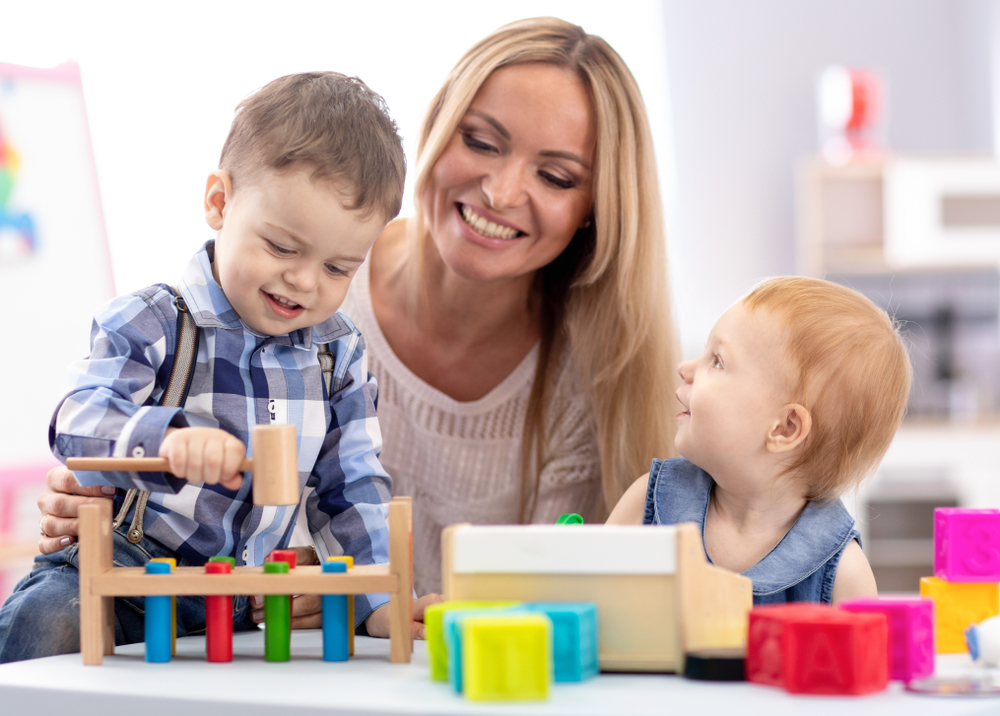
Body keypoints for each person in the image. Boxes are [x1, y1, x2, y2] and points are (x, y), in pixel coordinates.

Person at [37, 17, 679, 614]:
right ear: (438, 124)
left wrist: (358, 593)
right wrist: (117, 481)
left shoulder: (585, 376)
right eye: (482, 141)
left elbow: (533, 601)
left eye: (558, 176)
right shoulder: (257, 289)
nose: (503, 193)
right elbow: (96, 423)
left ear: (597, 205)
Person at [0, 72, 414, 662]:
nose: (304, 282)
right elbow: (77, 418)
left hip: (244, 600)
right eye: (283, 247)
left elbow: (354, 488)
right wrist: (168, 440)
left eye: (338, 268)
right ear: (220, 203)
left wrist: (382, 601)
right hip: (130, 576)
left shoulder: (336, 353)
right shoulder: (153, 320)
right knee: (50, 625)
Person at [607, 277, 912, 604]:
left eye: (718, 361)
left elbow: (864, 656)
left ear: (785, 428)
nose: (685, 368)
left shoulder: (845, 575)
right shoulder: (647, 502)